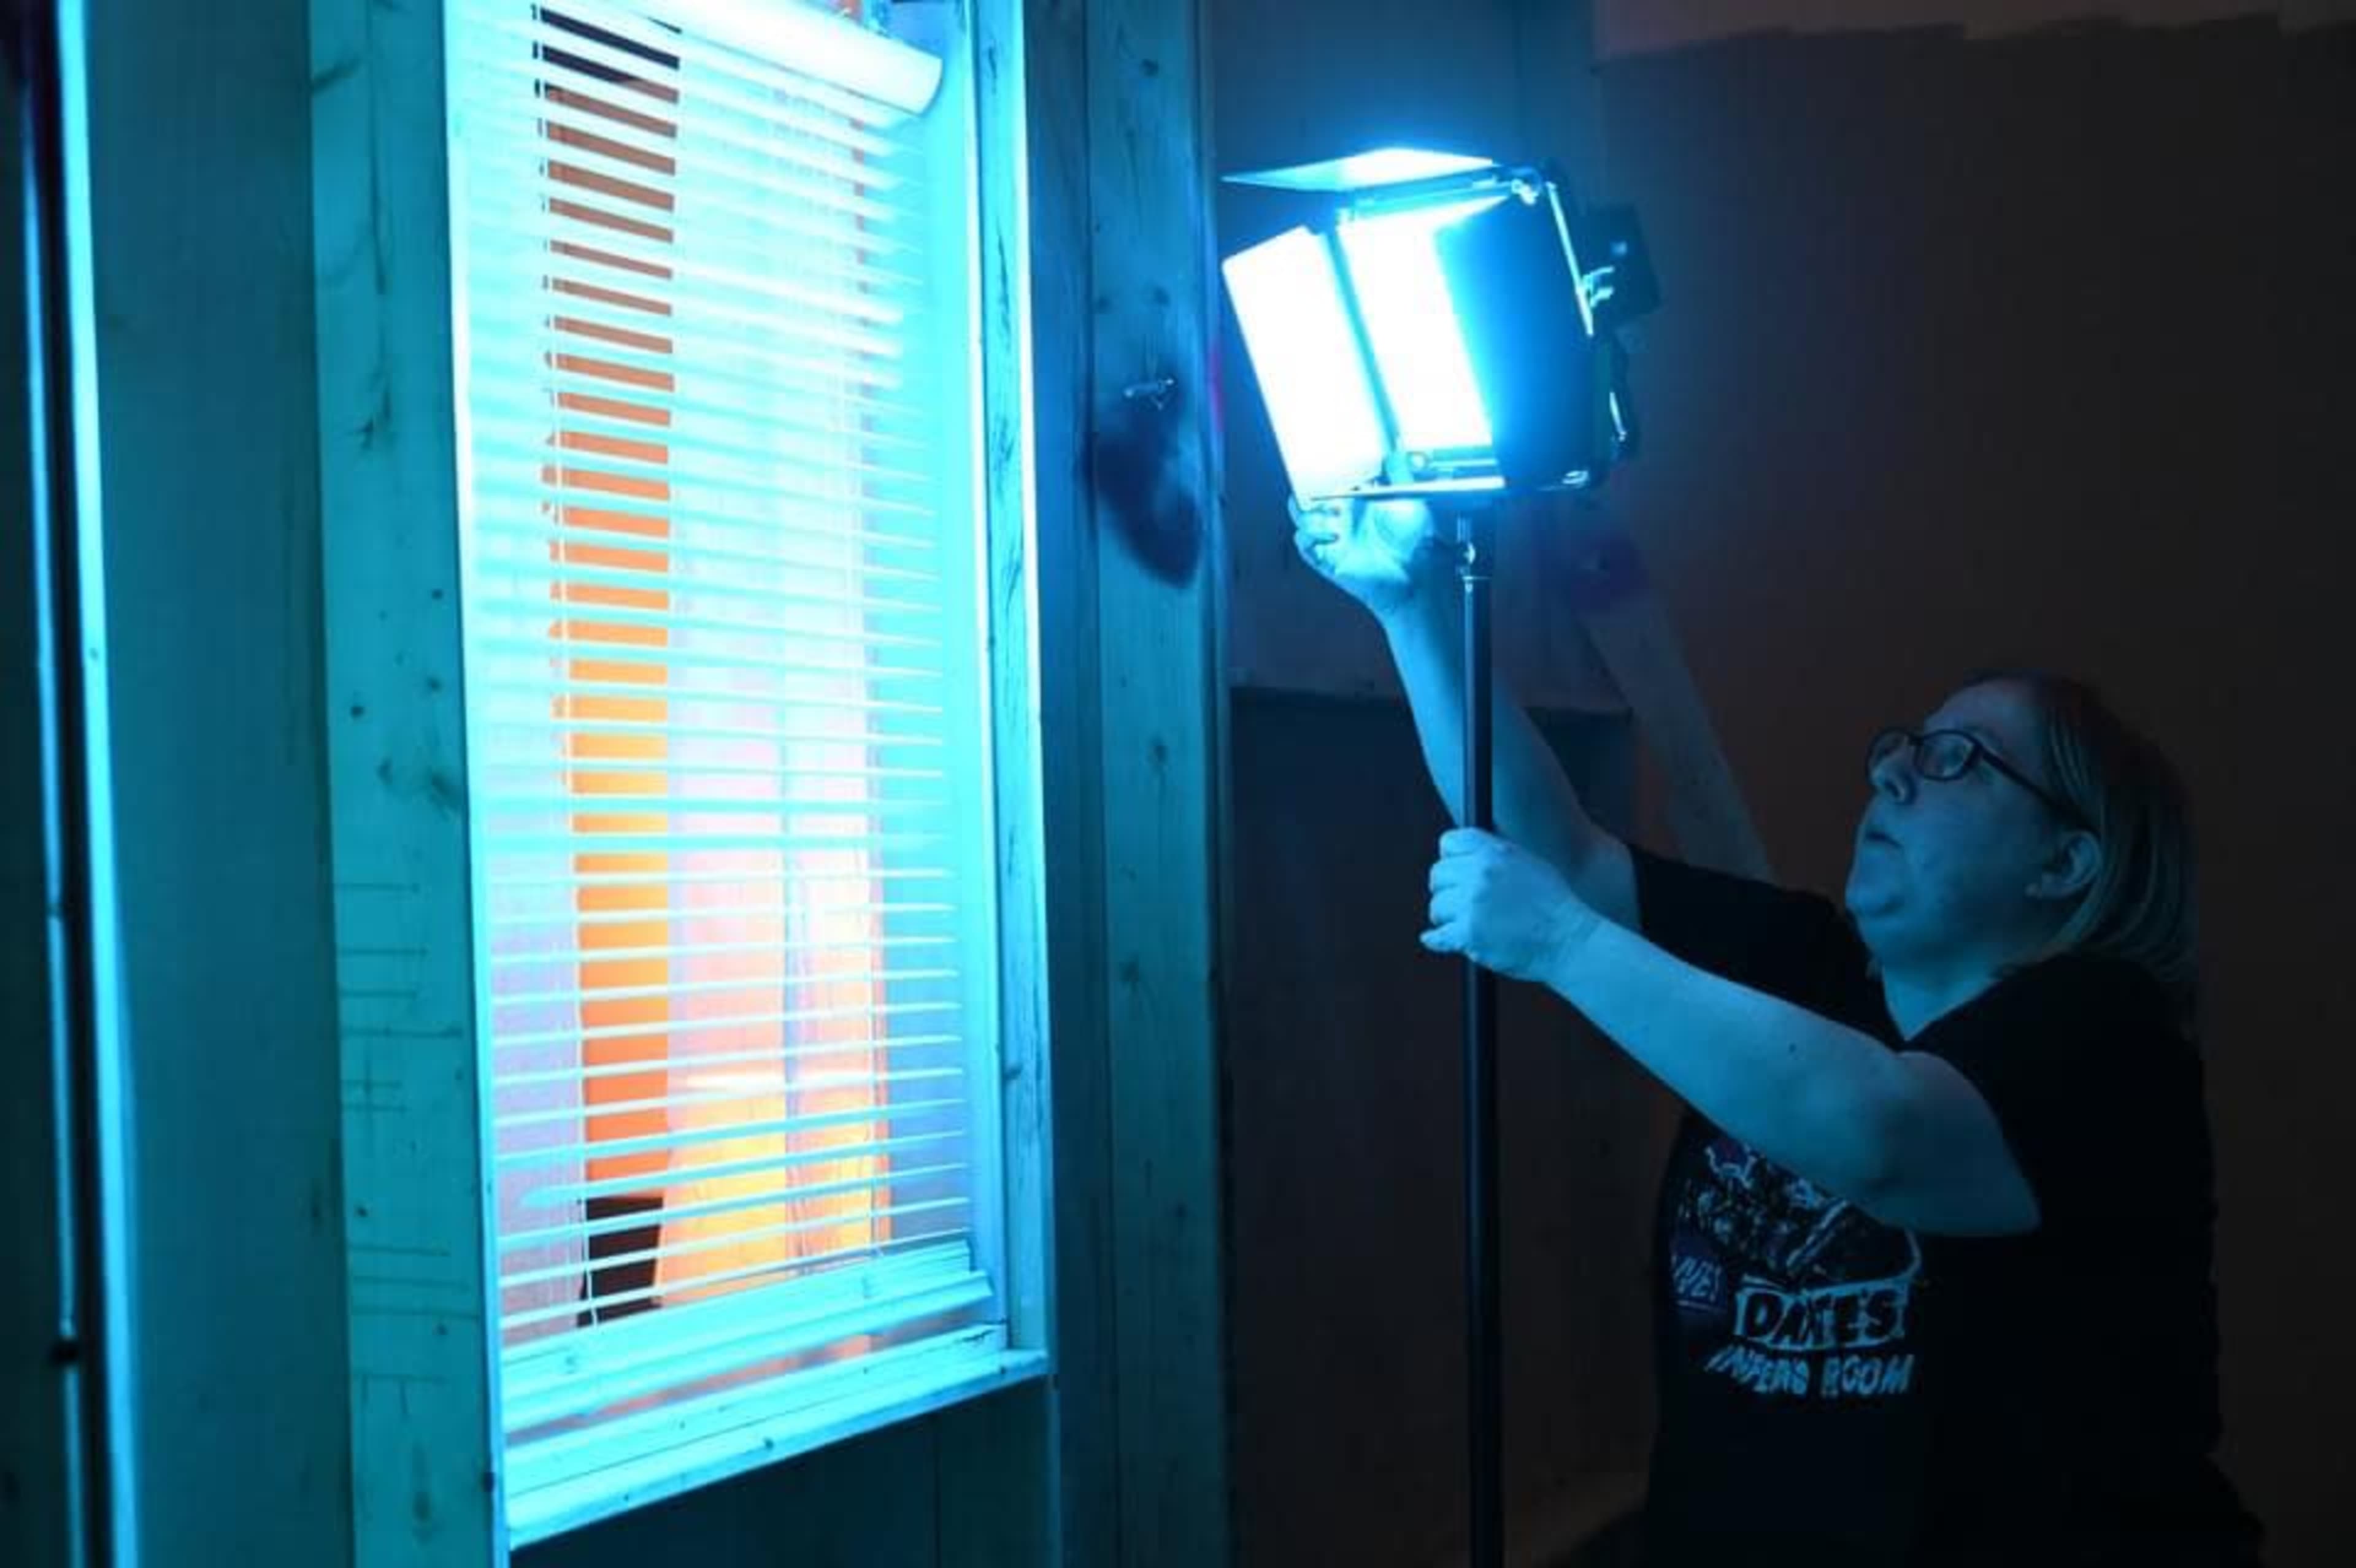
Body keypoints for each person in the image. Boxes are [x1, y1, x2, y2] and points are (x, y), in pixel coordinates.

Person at [1292, 494, 2264, 1567]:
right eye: (1905, 747)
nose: (1892, 772)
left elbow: (1882, 1136)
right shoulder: (1805, 961)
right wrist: (1414, 607)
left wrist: (1564, 945)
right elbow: (1561, 856)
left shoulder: (2109, 1040)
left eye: (1959, 759)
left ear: (2065, 862)